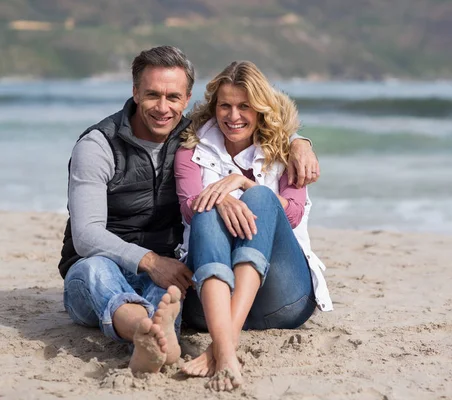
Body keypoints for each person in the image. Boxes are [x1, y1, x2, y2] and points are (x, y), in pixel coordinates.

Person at [57, 46, 320, 374]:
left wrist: (299, 143)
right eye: (152, 94)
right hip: (114, 266)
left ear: (187, 99)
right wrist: (151, 262)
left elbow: (254, 124)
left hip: (173, 271)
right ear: (135, 92)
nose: (163, 107)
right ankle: (144, 333)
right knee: (95, 270)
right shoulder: (99, 146)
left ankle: (155, 337)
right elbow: (85, 235)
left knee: (172, 288)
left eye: (173, 97)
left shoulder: (191, 137)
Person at [174, 61, 333, 391]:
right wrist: (220, 198)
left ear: (260, 109)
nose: (234, 116)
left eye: (244, 106)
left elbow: (292, 214)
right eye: (225, 105)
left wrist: (242, 186)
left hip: (283, 300)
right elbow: (190, 209)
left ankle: (221, 346)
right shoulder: (191, 149)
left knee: (261, 197)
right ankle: (227, 350)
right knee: (205, 207)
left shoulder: (287, 150)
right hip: (206, 308)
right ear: (214, 107)